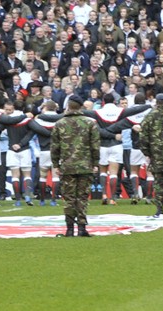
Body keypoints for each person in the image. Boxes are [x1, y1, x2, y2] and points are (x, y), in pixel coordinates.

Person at [51, 94, 99, 237]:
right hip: (85, 165)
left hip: (67, 165)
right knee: (82, 197)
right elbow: (95, 146)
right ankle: (82, 228)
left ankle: (70, 228)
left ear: (68, 106)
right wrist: (95, 163)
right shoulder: (91, 123)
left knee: (69, 198)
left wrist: (56, 164)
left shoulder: (60, 124)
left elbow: (55, 147)